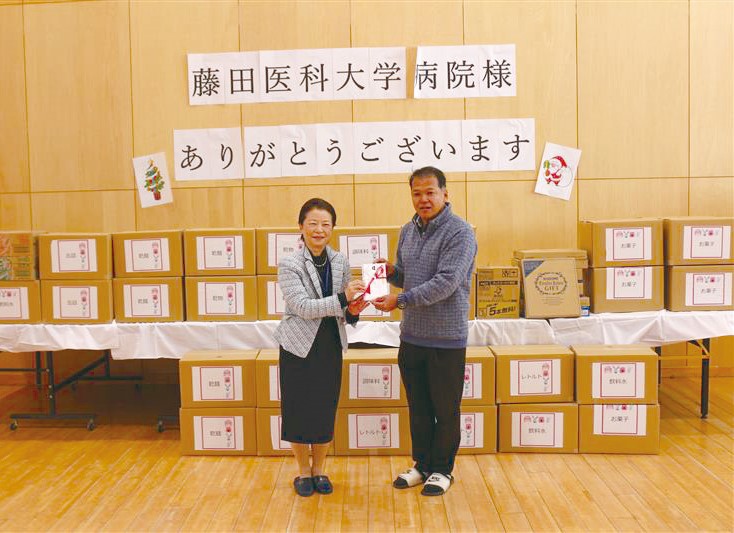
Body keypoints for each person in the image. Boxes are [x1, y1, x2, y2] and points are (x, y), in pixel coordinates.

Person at [373, 166, 477, 496]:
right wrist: (392, 272)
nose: (424, 199)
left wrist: (400, 299)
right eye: (417, 193)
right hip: (412, 335)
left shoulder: (461, 232)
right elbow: (410, 277)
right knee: (418, 407)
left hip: (446, 339)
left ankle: (443, 469)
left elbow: (446, 282)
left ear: (445, 193)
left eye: (430, 192)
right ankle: (422, 464)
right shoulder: (407, 230)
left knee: (445, 409)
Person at [273, 198, 368, 497]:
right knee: (299, 409)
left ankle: (320, 470)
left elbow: (344, 308)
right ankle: (303, 471)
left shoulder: (340, 261)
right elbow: (302, 307)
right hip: (298, 346)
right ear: (300, 226)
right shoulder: (289, 264)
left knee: (325, 408)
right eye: (312, 223)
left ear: (333, 228)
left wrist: (355, 309)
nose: (319, 229)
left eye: (326, 224)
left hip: (329, 343)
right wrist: (342, 299)